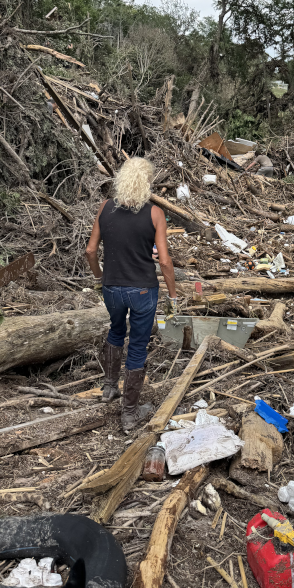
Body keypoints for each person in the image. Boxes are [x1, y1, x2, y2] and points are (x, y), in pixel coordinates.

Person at [85, 158, 177, 433]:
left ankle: (109, 388)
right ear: (146, 183)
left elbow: (90, 252)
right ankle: (129, 413)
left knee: (115, 332)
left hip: (112, 288)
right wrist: (173, 295)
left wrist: (100, 278)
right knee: (137, 345)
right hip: (142, 289)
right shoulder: (155, 214)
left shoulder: (105, 208)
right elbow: (164, 262)